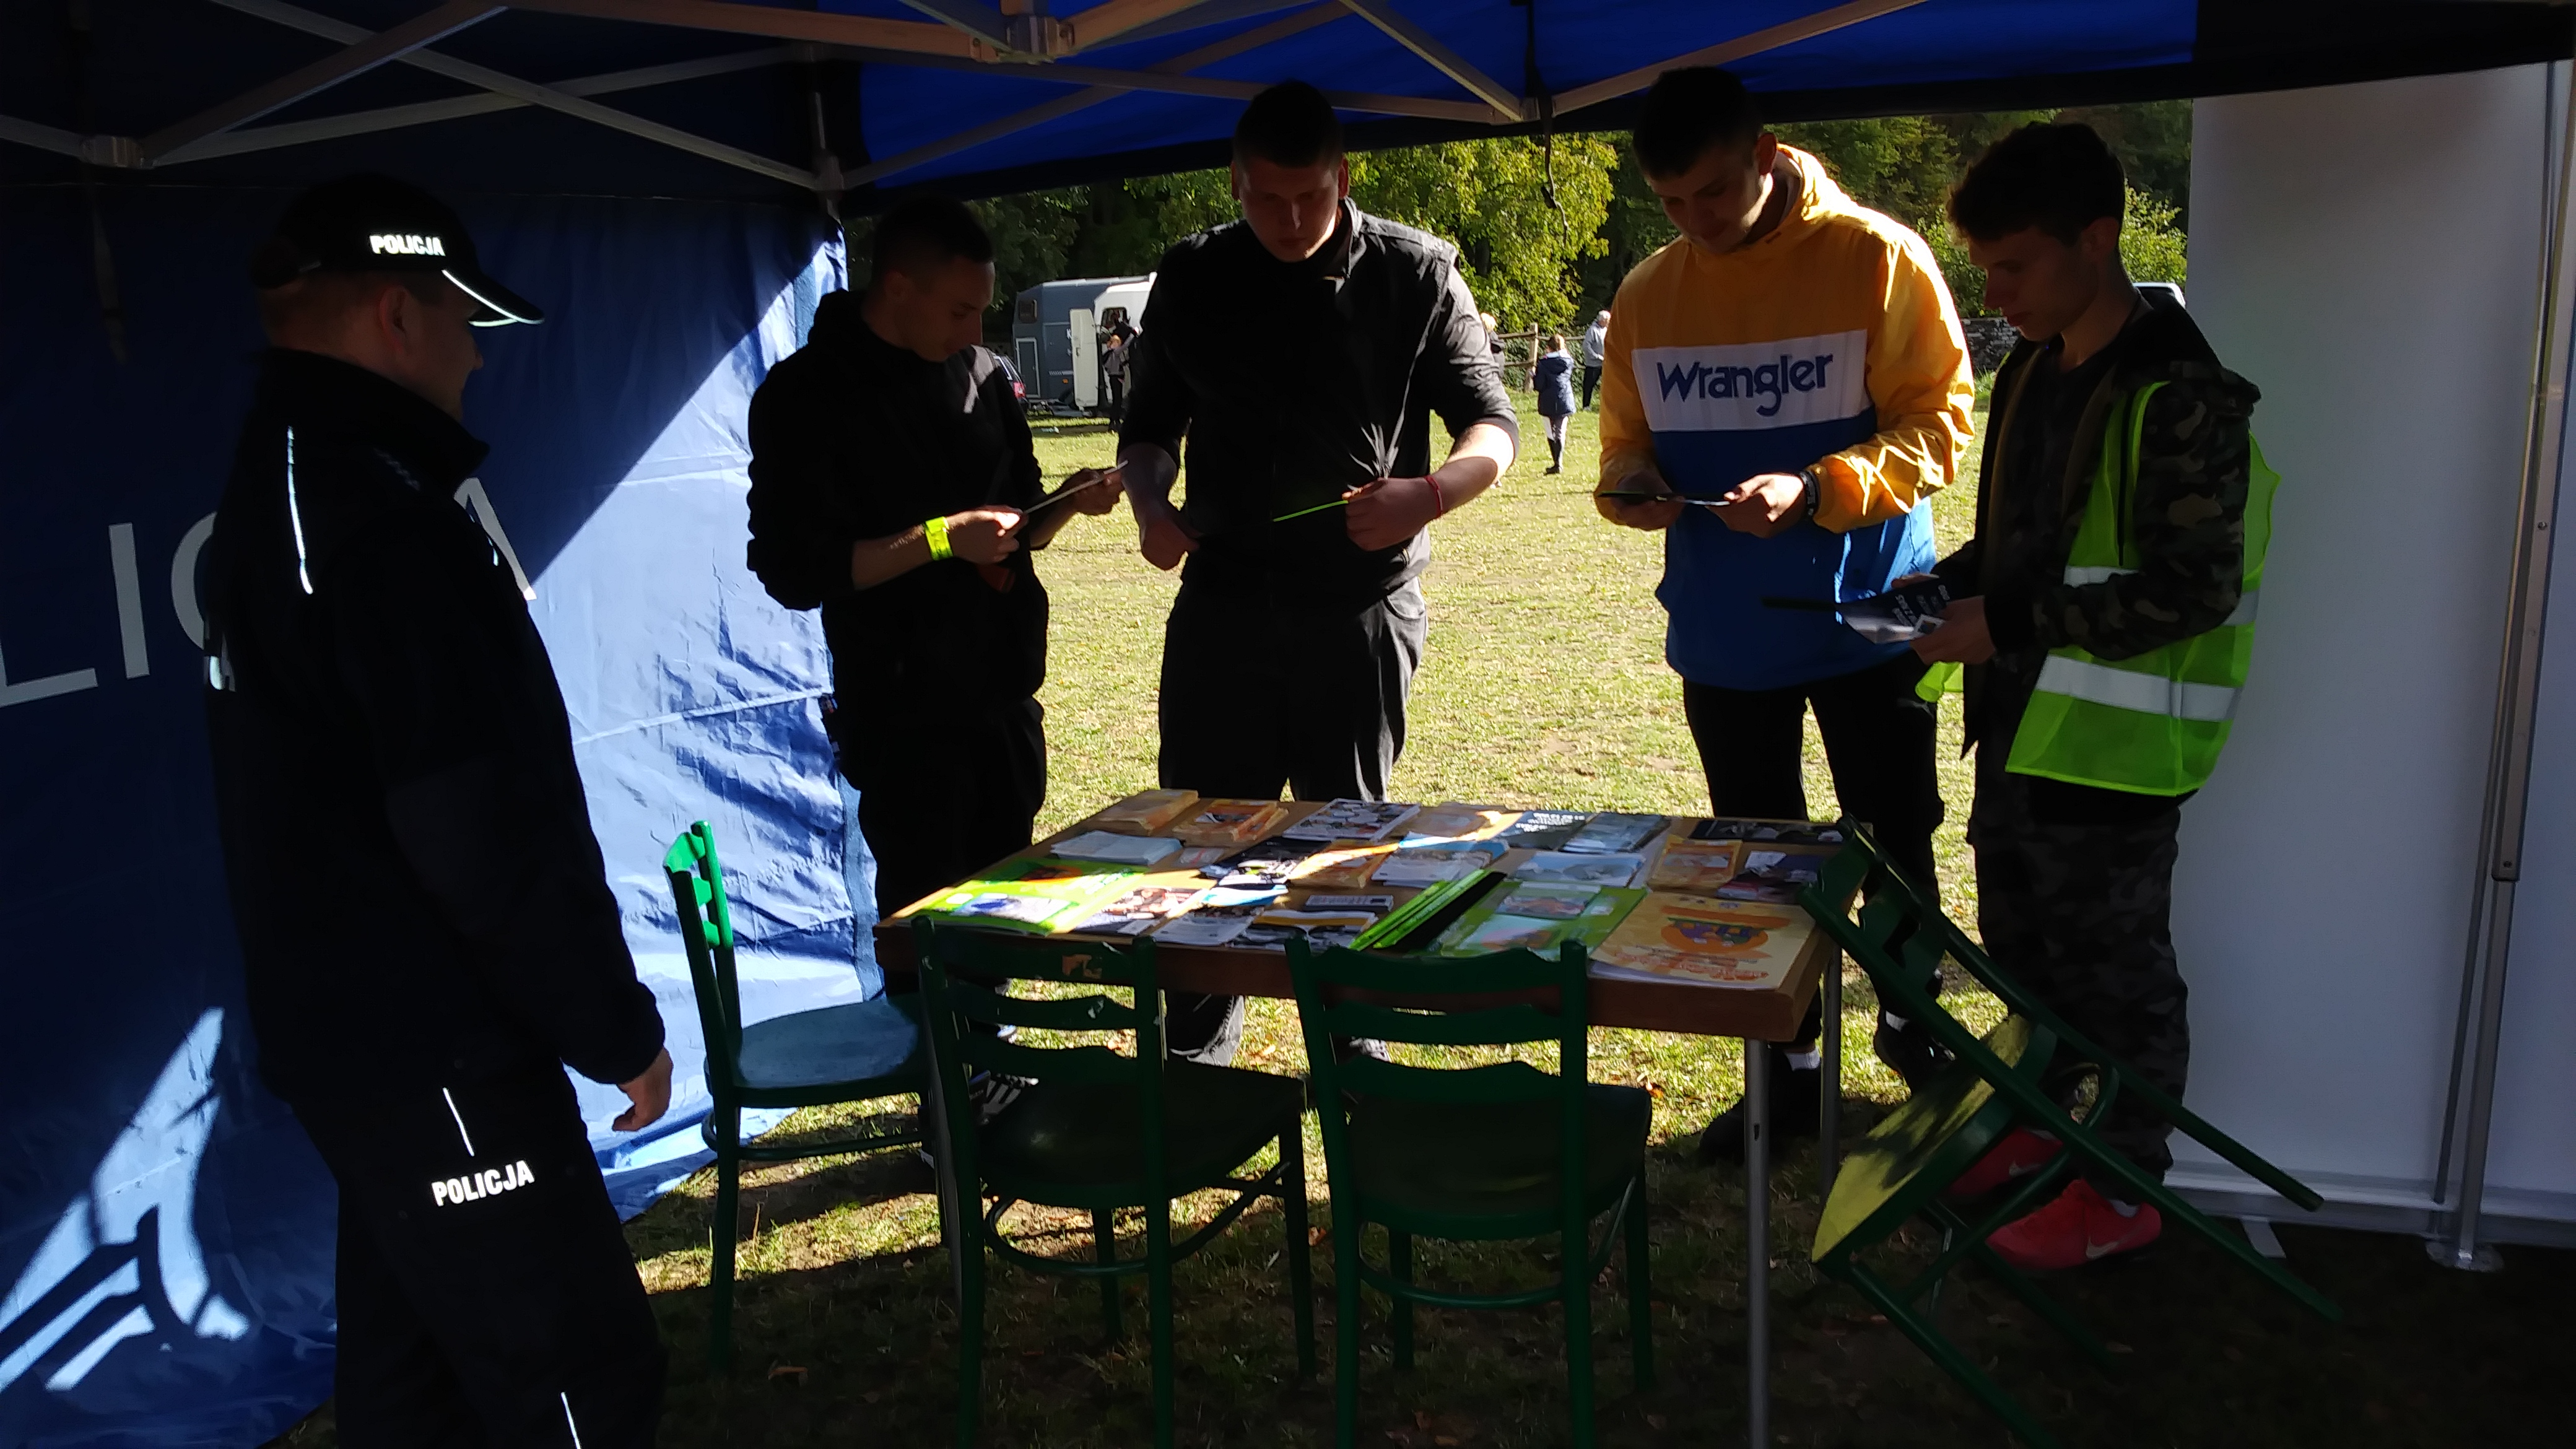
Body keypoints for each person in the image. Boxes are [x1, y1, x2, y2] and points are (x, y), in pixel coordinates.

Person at [201, 174, 671, 1445]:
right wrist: (612, 1025)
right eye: (465, 322)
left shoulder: (294, 480)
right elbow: (476, 823)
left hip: (375, 1039)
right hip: (434, 1044)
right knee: (572, 1372)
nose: (477, 356)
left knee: (417, 1372)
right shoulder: (369, 517)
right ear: (396, 317)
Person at [1592, 67, 1974, 1160]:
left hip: (1882, 610)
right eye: (1672, 202)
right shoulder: (1651, 292)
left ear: (1764, 155)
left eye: (1713, 192)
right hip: (1725, 627)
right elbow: (1624, 447)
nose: (1696, 221)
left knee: (1896, 836)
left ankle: (1915, 1033)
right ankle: (1789, 1070)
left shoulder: (1878, 256)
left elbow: (1942, 426)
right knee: (1755, 858)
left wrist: (1815, 489)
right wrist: (1631, 487)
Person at [1914, 123, 2268, 1270]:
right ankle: (2046, 1130)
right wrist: (1933, 591)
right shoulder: (2033, 366)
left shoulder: (2180, 393)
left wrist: (2004, 623)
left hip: (2113, 755)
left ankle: (2120, 1190)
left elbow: (2193, 591)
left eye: (2014, 265)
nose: (1996, 294)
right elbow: (2020, 548)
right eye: (1986, 269)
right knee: (2027, 959)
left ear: (2098, 238)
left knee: (2118, 981)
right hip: (2019, 734)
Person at [1118, 80, 1518, 1064]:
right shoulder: (1194, 273)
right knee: (1208, 838)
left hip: (1358, 613)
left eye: (1312, 198)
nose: (1292, 220)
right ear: (1236, 182)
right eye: (1270, 199)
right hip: (1224, 611)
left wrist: (1430, 495)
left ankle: (1350, 1051)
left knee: (1347, 838)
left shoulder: (1414, 271)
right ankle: (1198, 1059)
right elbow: (1149, 428)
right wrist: (1150, 506)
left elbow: (1492, 424)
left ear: (1344, 177)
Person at [745, 195, 1120, 960]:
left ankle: (991, 1034)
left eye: (981, 311)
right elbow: (792, 568)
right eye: (958, 311)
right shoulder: (806, 395)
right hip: (906, 720)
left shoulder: (980, 376)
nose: (974, 333)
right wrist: (941, 540)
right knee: (928, 943)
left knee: (1000, 930)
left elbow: (1016, 527)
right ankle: (940, 1044)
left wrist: (1065, 503)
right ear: (897, 288)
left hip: (1003, 703)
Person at [1532, 333, 1576, 474]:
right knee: (1561, 431)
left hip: (1548, 399)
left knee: (1550, 431)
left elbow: (1539, 385)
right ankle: (1559, 462)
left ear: (1549, 347)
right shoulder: (1569, 361)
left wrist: (1534, 377)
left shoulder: (1543, 363)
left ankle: (1556, 463)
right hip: (1564, 397)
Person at [1580, 308, 1609, 409]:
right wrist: (1596, 356)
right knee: (1589, 385)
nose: (1609, 322)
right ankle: (1586, 405)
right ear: (1602, 320)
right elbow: (1586, 346)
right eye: (1608, 320)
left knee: (1607, 385)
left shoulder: (1606, 330)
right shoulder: (1592, 330)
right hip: (1593, 364)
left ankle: (1605, 406)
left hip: (1605, 363)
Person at [1101, 325, 1131, 424]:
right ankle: (1116, 420)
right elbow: (1126, 345)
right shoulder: (1116, 352)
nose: (1119, 344)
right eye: (1117, 342)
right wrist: (1133, 335)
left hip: (1112, 377)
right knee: (1118, 400)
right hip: (1117, 377)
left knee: (1116, 400)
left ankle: (1113, 421)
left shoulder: (1109, 353)